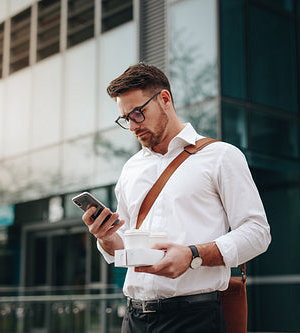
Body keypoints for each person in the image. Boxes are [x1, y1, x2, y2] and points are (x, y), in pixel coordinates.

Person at [82, 62, 271, 332]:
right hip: (133, 318)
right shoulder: (130, 169)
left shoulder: (221, 156)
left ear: (165, 99)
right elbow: (124, 248)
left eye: (138, 113)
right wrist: (106, 237)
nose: (133, 127)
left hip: (194, 317)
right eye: (125, 119)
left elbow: (257, 233)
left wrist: (193, 255)